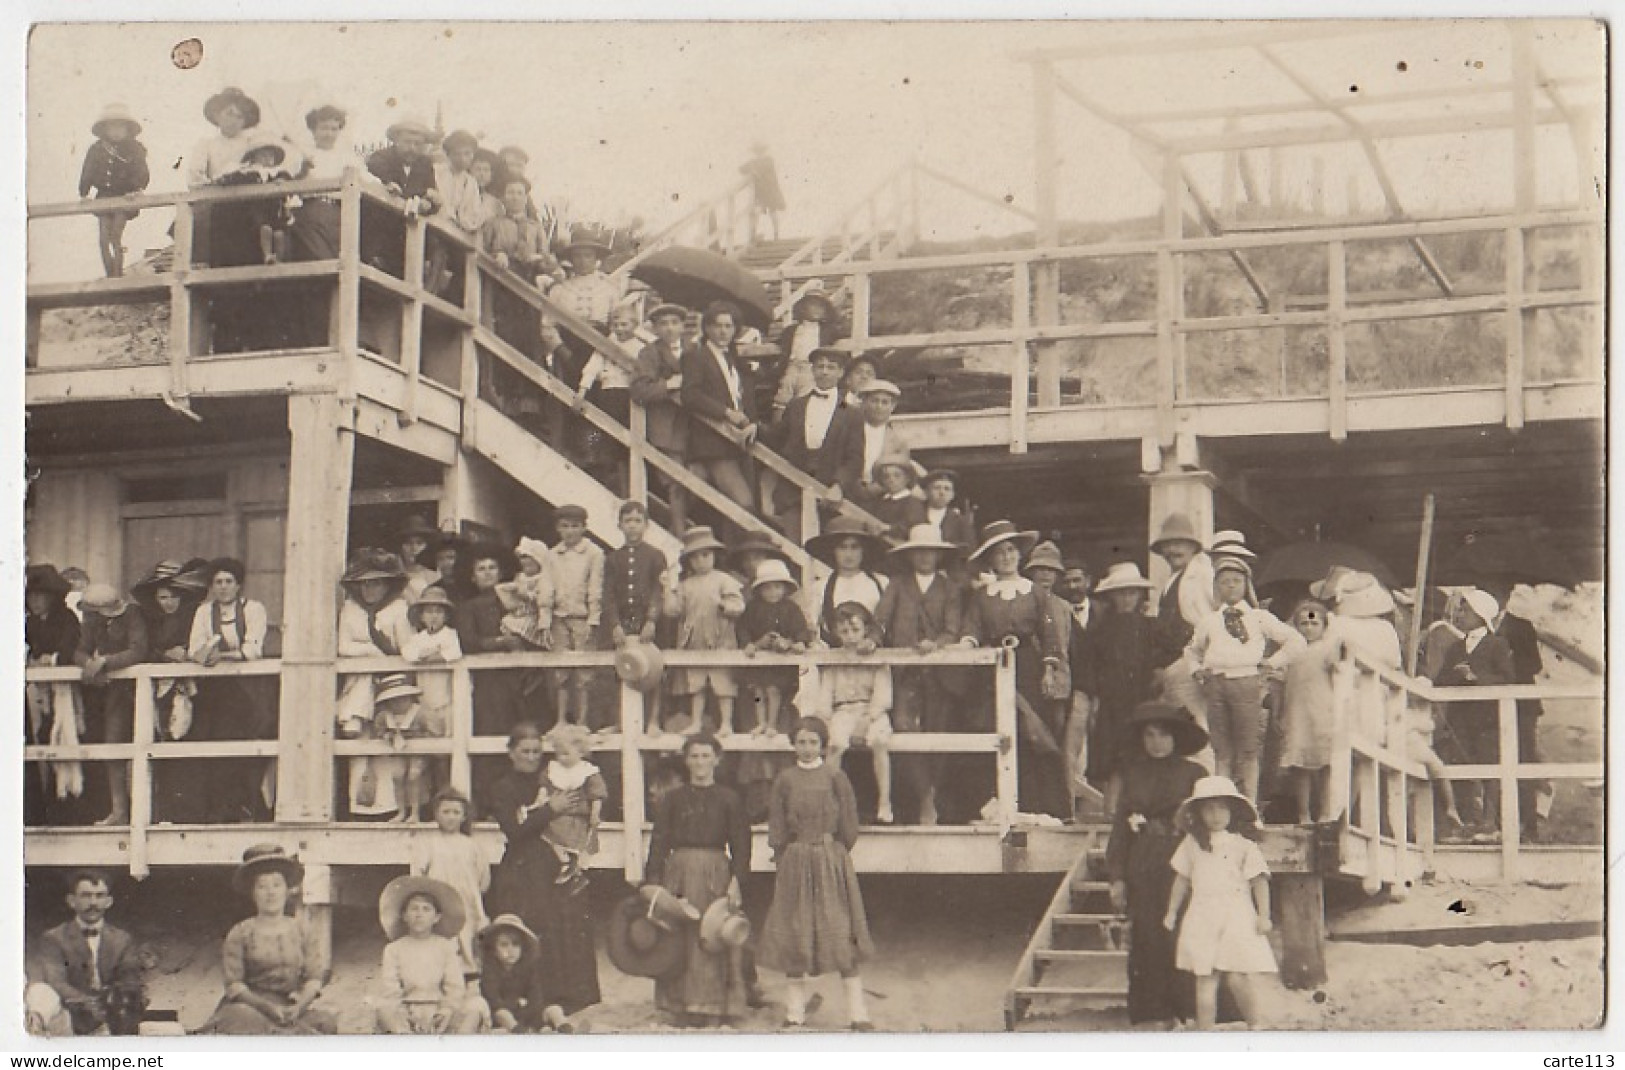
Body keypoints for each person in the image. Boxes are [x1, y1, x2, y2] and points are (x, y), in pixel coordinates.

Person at [759, 717, 876, 1031]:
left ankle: (858, 1013)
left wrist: (834, 853)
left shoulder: (836, 777)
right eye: (801, 742)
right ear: (793, 744)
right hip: (795, 861)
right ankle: (794, 1012)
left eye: (813, 742)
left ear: (822, 745)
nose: (807, 749)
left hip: (828, 860)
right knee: (795, 932)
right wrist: (785, 854)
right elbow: (777, 824)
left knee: (839, 931)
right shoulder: (785, 779)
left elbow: (849, 825)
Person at [485, 722, 601, 1025]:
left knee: (565, 925)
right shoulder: (502, 787)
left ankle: (568, 999)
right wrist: (550, 810)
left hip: (555, 859)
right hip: (523, 865)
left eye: (537, 751)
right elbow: (515, 831)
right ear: (511, 753)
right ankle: (531, 1000)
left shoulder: (549, 776)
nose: (532, 756)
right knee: (532, 926)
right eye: (525, 751)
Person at [1105, 702, 1208, 1028]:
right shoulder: (1132, 773)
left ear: (1176, 737)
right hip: (1144, 863)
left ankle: (1191, 1011)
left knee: (1184, 933)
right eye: (1149, 735)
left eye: (1164, 735)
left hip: (1183, 862)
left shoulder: (1195, 774)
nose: (1156, 742)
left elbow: (1209, 823)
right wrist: (1117, 878)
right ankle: (1154, 1014)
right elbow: (1121, 828)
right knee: (1148, 937)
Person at [961, 520, 1072, 820]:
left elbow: (1051, 636)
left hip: (1027, 667)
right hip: (993, 667)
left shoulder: (1035, 592)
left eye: (1011, 550)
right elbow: (971, 627)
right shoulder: (982, 596)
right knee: (992, 728)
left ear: (1019, 555)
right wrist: (968, 644)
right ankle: (994, 802)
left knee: (1032, 733)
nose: (1006, 557)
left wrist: (1049, 670)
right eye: (999, 553)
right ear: (991, 560)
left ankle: (1038, 805)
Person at [644, 733, 755, 1026]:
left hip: (716, 872)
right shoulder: (673, 799)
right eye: (694, 756)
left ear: (717, 760)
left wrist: (737, 881)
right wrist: (653, 882)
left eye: (706, 756)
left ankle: (716, 1008)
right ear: (686, 760)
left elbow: (742, 844)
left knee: (713, 936)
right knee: (679, 937)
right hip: (678, 872)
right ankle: (679, 1006)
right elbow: (659, 841)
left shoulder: (729, 798)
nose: (700, 762)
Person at [1184, 557, 1305, 802]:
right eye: (1224, 582)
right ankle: (1223, 802)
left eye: (1236, 581)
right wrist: (1196, 670)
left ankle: (1249, 804)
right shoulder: (1209, 621)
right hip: (1216, 684)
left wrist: (1271, 663)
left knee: (1248, 749)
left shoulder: (1259, 617)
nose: (1230, 586)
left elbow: (1296, 642)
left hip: (1247, 682)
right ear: (1216, 587)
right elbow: (1192, 650)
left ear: (1246, 585)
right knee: (1222, 750)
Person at [1163, 776, 1278, 1031]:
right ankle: (1206, 1032)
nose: (1216, 815)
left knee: (1237, 977)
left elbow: (1259, 881)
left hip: (1235, 913)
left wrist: (1264, 915)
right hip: (1202, 914)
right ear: (1198, 813)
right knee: (1204, 978)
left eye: (1222, 808)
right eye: (1209, 808)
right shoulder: (1192, 845)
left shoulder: (1243, 845)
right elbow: (1181, 880)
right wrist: (1171, 911)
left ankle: (1255, 1025)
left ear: (1233, 811)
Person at [873, 524, 965, 825]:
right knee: (903, 728)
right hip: (905, 674)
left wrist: (935, 644)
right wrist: (871, 640)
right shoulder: (897, 585)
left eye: (931, 551)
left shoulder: (950, 588)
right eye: (919, 552)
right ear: (911, 556)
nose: (925, 557)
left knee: (938, 735)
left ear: (939, 555)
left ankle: (933, 797)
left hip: (940, 675)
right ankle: (924, 797)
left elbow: (953, 630)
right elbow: (880, 621)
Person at [199, 845, 335, 1035]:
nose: (271, 892)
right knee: (244, 1020)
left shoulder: (302, 930)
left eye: (277, 885)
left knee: (325, 1021)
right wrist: (265, 1007)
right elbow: (235, 985)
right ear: (253, 892)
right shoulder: (240, 933)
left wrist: (300, 1006)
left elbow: (313, 978)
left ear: (287, 890)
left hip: (291, 1007)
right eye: (262, 886)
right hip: (252, 1007)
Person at [188, 558, 274, 823]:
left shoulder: (253, 609)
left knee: (248, 750)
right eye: (218, 582)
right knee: (217, 752)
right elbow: (195, 649)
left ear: (238, 585)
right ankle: (221, 812)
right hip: (217, 693)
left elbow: (253, 649)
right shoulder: (204, 612)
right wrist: (204, 656)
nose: (223, 587)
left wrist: (224, 656)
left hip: (250, 690)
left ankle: (251, 810)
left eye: (228, 582)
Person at [1431, 587, 1517, 841]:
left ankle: (1490, 823)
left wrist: (1476, 678)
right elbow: (1440, 680)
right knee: (1461, 764)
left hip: (1487, 718)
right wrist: (1455, 676)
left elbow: (1508, 678)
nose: (1460, 614)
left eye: (1466, 609)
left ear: (1481, 615)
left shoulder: (1497, 644)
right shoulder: (1456, 647)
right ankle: (1469, 820)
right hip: (1460, 719)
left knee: (1489, 765)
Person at [1081, 563, 1161, 817]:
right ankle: (1111, 811)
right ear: (1111, 596)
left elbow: (1159, 658)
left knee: (1143, 754)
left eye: (1132, 593)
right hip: (1112, 700)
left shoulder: (1150, 627)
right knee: (1115, 758)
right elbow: (1091, 664)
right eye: (1121, 593)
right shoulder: (1100, 630)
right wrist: (1094, 697)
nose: (1127, 599)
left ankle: (1144, 810)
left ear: (1139, 596)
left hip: (1142, 698)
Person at [25, 871, 147, 1037]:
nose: (93, 903)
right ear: (71, 901)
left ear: (109, 901)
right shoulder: (53, 938)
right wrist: (89, 1003)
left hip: (109, 1016)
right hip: (69, 1017)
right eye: (86, 895)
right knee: (40, 991)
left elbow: (129, 979)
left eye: (99, 896)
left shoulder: (122, 939)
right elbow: (56, 982)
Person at [132, 561, 207, 822]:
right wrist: (164, 655)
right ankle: (164, 812)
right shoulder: (151, 622)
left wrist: (186, 652)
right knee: (160, 745)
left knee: (189, 746)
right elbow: (144, 649)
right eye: (163, 597)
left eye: (173, 596)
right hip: (160, 689)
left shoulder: (193, 615)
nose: (168, 602)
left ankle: (190, 813)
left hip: (191, 690)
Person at [74, 584, 149, 826]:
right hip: (112, 695)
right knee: (112, 747)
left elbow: (139, 650)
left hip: (140, 691)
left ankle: (147, 811)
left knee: (148, 747)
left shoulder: (133, 614)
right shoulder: (93, 620)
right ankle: (119, 811)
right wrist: (89, 665)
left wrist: (105, 661)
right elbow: (80, 650)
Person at [373, 875, 487, 1035]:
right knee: (382, 1007)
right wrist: (406, 1015)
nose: (419, 914)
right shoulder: (393, 949)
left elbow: (454, 987)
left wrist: (445, 1010)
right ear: (404, 916)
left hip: (440, 1009)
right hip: (406, 1011)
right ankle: (407, 1040)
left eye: (426, 909)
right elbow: (390, 989)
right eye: (414, 908)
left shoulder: (445, 947)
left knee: (476, 1005)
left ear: (436, 918)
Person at [817, 602, 895, 824]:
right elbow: (826, 696)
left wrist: (868, 718)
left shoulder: (877, 658)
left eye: (855, 630)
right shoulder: (834, 659)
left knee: (879, 742)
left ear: (866, 630)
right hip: (843, 711)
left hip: (872, 711)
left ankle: (885, 802)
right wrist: (826, 718)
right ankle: (830, 803)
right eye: (844, 631)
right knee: (835, 745)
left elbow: (883, 695)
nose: (850, 636)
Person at [680, 300, 760, 514]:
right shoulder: (696, 356)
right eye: (718, 325)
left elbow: (743, 398)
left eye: (729, 326)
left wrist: (752, 423)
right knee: (743, 503)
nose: (723, 331)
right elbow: (690, 394)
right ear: (707, 328)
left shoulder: (734, 360)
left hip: (738, 441)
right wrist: (726, 413)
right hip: (711, 441)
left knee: (739, 506)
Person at [665, 527, 746, 736]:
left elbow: (738, 605)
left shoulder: (723, 579)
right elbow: (674, 611)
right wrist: (668, 589)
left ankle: (726, 723)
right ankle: (696, 722)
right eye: (695, 558)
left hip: (721, 639)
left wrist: (723, 605)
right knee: (696, 684)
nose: (701, 561)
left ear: (714, 556)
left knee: (723, 685)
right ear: (689, 561)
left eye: (706, 555)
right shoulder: (685, 585)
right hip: (694, 640)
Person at [768, 347, 854, 537]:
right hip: (794, 489)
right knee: (795, 543)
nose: (824, 371)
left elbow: (855, 457)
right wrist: (754, 429)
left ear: (840, 373)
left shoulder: (852, 413)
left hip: (831, 492)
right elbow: (776, 437)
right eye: (820, 366)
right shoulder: (796, 405)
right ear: (812, 371)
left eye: (831, 367)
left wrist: (839, 485)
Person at [26, 565, 83, 826]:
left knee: (67, 740)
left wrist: (51, 660)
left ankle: (71, 808)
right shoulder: (31, 623)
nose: (35, 602)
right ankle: (44, 809)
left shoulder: (67, 618)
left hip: (67, 693)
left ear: (52, 596)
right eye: (31, 596)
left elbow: (69, 650)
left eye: (40, 595)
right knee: (41, 742)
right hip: (40, 694)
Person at [410, 786, 490, 972]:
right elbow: (418, 874)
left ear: (464, 816)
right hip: (439, 899)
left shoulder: (471, 845)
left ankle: (468, 975)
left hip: (465, 900)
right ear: (436, 814)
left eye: (456, 812)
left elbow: (483, 878)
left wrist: (472, 894)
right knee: (440, 939)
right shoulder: (428, 843)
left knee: (467, 937)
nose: (451, 817)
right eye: (445, 812)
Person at [1147, 513, 1216, 726]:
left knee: (1195, 722)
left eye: (1178, 544)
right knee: (1183, 722)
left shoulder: (1204, 574)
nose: (1172, 551)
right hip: (1174, 665)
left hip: (1192, 660)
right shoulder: (1172, 579)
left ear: (1192, 546)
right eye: (1167, 546)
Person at [630, 302, 692, 530]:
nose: (669, 329)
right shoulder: (649, 353)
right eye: (663, 324)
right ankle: (680, 536)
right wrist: (669, 384)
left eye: (675, 323)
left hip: (696, 427)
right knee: (676, 485)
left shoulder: (696, 350)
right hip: (666, 429)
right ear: (655, 329)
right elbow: (639, 390)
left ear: (683, 326)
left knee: (701, 483)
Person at [738, 558, 812, 737]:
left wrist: (798, 642)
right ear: (760, 590)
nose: (773, 592)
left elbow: (801, 629)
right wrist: (749, 644)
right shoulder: (753, 608)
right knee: (758, 691)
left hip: (780, 661)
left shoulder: (791, 608)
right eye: (767, 588)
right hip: (760, 658)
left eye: (777, 587)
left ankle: (772, 723)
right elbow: (743, 627)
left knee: (773, 689)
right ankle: (761, 722)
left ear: (785, 588)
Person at [545, 505, 603, 726]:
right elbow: (547, 586)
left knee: (584, 672)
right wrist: (545, 617)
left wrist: (594, 618)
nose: (570, 531)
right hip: (559, 619)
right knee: (561, 671)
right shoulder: (552, 555)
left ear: (584, 528)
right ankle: (560, 719)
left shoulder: (594, 553)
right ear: (558, 528)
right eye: (565, 526)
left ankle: (582, 721)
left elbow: (595, 587)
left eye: (575, 526)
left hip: (583, 618)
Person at [79, 104, 149, 278]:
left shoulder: (135, 148)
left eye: (121, 126)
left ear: (128, 129)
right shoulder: (96, 149)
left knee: (116, 237)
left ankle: (118, 274)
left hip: (125, 199)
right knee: (103, 240)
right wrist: (84, 193)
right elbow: (87, 170)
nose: (116, 131)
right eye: (112, 127)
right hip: (104, 198)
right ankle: (110, 274)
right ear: (104, 129)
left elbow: (141, 171)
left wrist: (136, 189)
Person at [803, 515, 889, 645]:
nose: (849, 554)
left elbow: (889, 623)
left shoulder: (881, 583)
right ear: (833, 551)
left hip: (877, 656)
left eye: (854, 547)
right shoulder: (821, 587)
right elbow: (812, 628)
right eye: (842, 547)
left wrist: (872, 641)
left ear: (863, 550)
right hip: (836, 658)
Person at [540, 722, 607, 889]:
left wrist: (595, 813)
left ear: (580, 751)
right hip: (556, 815)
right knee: (546, 835)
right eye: (558, 754)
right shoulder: (554, 769)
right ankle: (566, 863)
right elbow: (544, 787)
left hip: (576, 817)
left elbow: (596, 794)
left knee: (571, 840)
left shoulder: (587, 772)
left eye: (566, 753)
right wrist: (541, 800)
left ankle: (573, 868)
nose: (561, 758)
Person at [478, 914, 571, 1033]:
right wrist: (517, 1003)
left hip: (527, 1012)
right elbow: (494, 1001)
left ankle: (563, 1026)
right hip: (505, 1015)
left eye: (516, 944)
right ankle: (519, 1031)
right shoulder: (490, 972)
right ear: (494, 950)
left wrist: (530, 1010)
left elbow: (535, 995)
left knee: (554, 1009)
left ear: (523, 948)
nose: (510, 950)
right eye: (504, 945)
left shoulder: (527, 969)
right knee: (502, 1014)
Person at [828, 380, 912, 510]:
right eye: (874, 401)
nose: (879, 406)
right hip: (847, 491)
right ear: (864, 403)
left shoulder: (898, 440)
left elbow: (900, 472)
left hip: (881, 496)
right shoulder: (849, 431)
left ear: (893, 406)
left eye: (885, 402)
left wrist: (878, 487)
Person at [287, 104, 352, 262]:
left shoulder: (347, 157)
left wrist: (387, 186)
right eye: (323, 128)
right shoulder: (302, 156)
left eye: (334, 129)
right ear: (314, 130)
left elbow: (368, 179)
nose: (329, 134)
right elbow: (289, 185)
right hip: (310, 210)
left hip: (339, 211)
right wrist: (303, 170)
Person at [371, 673, 434, 823]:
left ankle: (415, 813)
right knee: (397, 777)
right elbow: (378, 730)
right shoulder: (384, 716)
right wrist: (387, 736)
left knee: (414, 775)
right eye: (394, 701)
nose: (399, 704)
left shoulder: (420, 713)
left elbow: (433, 732)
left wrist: (418, 738)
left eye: (403, 699)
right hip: (397, 751)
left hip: (417, 752)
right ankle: (401, 811)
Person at [771, 283, 841, 417]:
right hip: (792, 366)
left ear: (826, 311)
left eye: (821, 306)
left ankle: (799, 427)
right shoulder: (791, 330)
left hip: (810, 368)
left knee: (804, 399)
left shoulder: (827, 330)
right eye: (812, 305)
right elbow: (781, 344)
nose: (816, 309)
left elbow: (839, 338)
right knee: (782, 396)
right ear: (803, 308)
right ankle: (777, 427)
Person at [480, 176, 559, 285]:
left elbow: (545, 257)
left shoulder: (536, 227)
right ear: (503, 198)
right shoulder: (493, 223)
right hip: (499, 280)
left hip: (529, 282)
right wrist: (497, 254)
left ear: (526, 199)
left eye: (519, 193)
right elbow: (482, 250)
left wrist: (537, 258)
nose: (515, 197)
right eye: (510, 193)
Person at [185, 86, 259, 190]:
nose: (234, 121)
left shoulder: (252, 145)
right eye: (229, 114)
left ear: (245, 122)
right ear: (217, 116)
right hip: (216, 199)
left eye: (239, 117)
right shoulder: (206, 145)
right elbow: (195, 179)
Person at [499, 537, 553, 651]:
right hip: (519, 613)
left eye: (530, 563)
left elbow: (544, 602)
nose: (525, 564)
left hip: (534, 615)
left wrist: (524, 594)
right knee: (508, 624)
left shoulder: (542, 579)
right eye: (522, 559)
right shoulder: (520, 577)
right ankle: (518, 651)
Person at [868, 448, 927, 541]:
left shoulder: (913, 503)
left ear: (907, 478)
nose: (891, 480)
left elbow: (914, 527)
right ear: (881, 481)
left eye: (897, 476)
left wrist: (889, 529)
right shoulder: (879, 502)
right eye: (886, 476)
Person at [921, 469, 976, 558]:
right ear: (927, 492)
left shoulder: (961, 521)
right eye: (937, 488)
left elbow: (970, 549)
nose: (942, 493)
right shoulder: (915, 515)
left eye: (947, 489)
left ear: (952, 495)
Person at [741, 142, 786, 242]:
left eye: (760, 151)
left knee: (772, 212)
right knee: (757, 211)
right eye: (757, 151)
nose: (758, 153)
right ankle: (753, 234)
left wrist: (753, 169)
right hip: (760, 191)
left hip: (770, 190)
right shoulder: (753, 162)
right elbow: (741, 169)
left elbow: (762, 168)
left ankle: (776, 234)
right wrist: (751, 170)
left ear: (763, 151)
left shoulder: (768, 160)